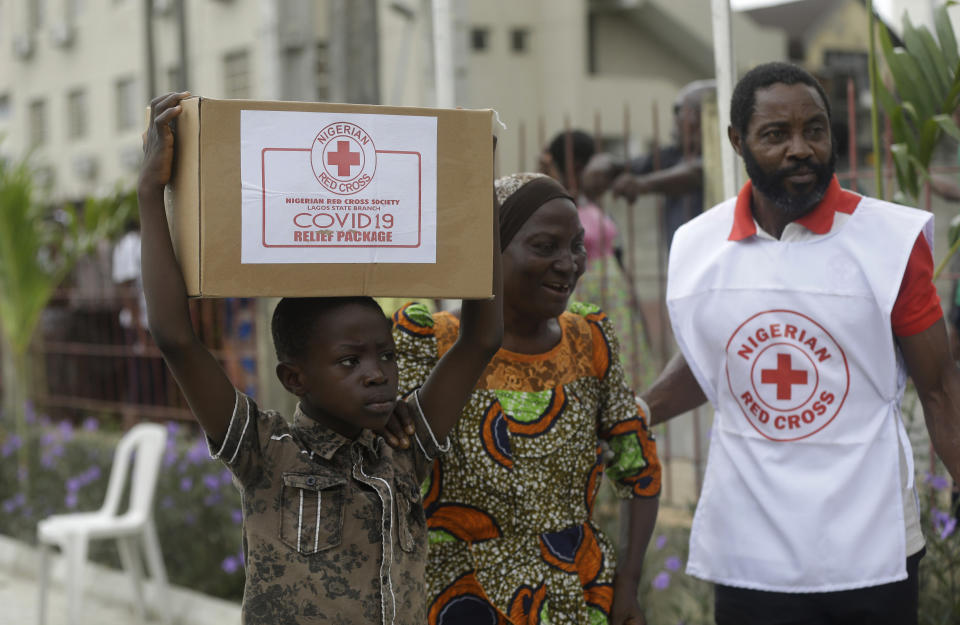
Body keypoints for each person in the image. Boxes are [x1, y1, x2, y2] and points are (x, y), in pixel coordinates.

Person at [137, 91, 503, 624]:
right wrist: (151, 192)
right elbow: (176, 338)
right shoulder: (265, 453)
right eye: (349, 362)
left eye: (385, 355)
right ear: (295, 377)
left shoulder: (402, 446)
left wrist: (477, 195)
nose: (378, 373)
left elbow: (480, 340)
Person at [640, 62, 960, 625]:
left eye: (815, 130)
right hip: (751, 551)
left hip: (873, 546)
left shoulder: (889, 241)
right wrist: (639, 410)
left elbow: (940, 389)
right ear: (738, 141)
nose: (800, 149)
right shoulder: (697, 245)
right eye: (775, 134)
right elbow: (712, 364)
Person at [386, 172, 661, 625]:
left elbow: (641, 472)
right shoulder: (428, 343)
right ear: (488, 254)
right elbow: (390, 463)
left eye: (576, 245)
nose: (569, 263)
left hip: (576, 597)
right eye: (544, 246)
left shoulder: (589, 340)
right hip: (460, 599)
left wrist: (627, 586)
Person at [540, 130, 650, 389]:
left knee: (622, 365)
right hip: (581, 294)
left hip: (616, 300)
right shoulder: (554, 202)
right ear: (577, 166)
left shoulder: (593, 201)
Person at [583, 80, 715, 250]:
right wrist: (604, 164)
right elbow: (626, 165)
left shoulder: (727, 156)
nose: (676, 120)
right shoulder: (675, 154)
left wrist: (643, 184)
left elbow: (697, 173)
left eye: (681, 111)